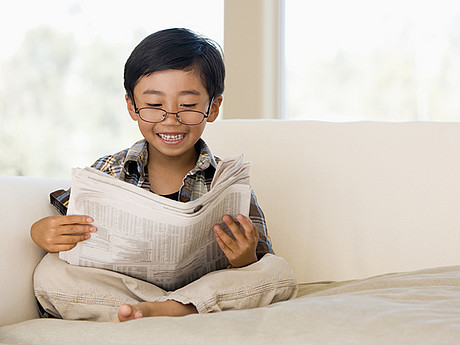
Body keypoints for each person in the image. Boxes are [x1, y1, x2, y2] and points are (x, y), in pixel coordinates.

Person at [31, 28, 297, 322]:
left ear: (213, 107)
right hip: (129, 291)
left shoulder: (226, 182)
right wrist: (42, 232)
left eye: (188, 106)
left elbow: (259, 261)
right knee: (50, 272)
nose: (171, 119)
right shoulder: (109, 170)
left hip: (201, 290)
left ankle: (169, 309)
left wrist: (244, 259)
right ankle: (154, 310)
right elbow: (72, 221)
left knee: (278, 273)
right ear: (132, 106)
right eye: (155, 105)